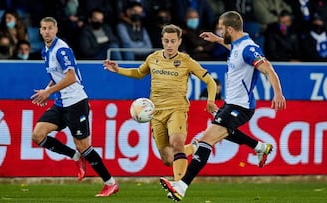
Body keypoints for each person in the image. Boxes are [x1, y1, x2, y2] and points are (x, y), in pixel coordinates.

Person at [160, 11, 286, 201]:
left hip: (241, 106)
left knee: (205, 141)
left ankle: (181, 186)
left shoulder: (248, 48)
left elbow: (267, 68)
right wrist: (217, 39)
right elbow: (233, 48)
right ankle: (260, 147)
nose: (219, 30)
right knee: (222, 133)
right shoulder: (237, 45)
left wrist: (278, 93)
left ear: (229, 28)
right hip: (231, 104)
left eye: (221, 27)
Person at [103, 24, 217, 182]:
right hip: (156, 113)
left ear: (179, 41)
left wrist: (210, 101)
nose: (169, 45)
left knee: (176, 143)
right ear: (162, 41)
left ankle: (178, 186)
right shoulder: (153, 58)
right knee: (168, 159)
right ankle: (193, 147)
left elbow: (209, 81)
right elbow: (138, 73)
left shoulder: (186, 61)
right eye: (166, 41)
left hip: (177, 109)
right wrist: (118, 69)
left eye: (173, 41)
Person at [30, 17, 119, 197]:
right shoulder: (45, 51)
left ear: (56, 30)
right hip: (61, 102)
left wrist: (48, 93)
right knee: (37, 135)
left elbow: (71, 77)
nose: (46, 31)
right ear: (40, 31)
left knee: (84, 146)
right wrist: (47, 90)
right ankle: (76, 157)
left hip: (76, 102)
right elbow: (56, 76)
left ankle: (111, 183)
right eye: (43, 28)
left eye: (50, 28)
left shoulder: (61, 49)